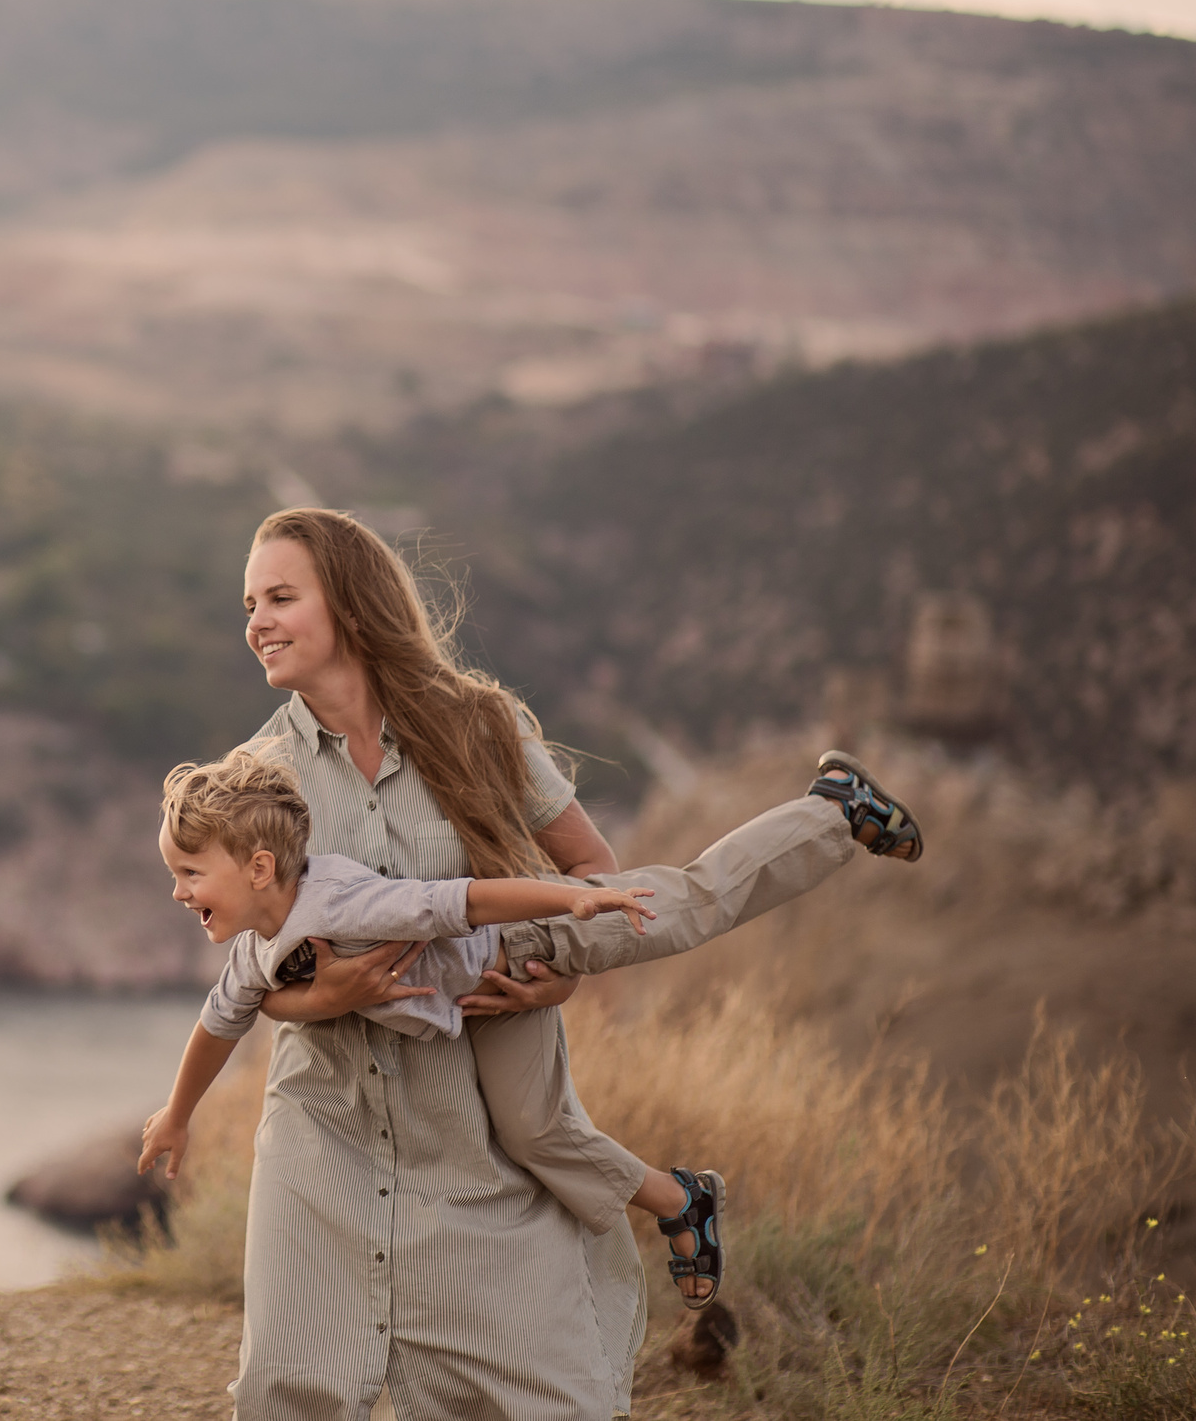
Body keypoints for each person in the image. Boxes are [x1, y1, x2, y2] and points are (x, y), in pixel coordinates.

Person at [219, 505, 923, 1421]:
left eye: (280, 596)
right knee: (290, 1381)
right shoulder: (257, 775)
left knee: (673, 903)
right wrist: (330, 994)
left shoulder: (480, 722)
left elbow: (592, 867)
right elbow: (249, 974)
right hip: (330, 1115)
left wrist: (565, 977)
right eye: (248, 604)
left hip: (503, 988)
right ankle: (680, 1200)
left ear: (350, 605)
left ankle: (833, 812)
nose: (257, 622)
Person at [138, 747, 748, 1311]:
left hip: (539, 936)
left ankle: (826, 814)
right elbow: (217, 1026)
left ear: (260, 868)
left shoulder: (343, 906)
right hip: (496, 1002)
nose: (176, 891)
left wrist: (571, 902)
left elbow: (465, 901)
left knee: (695, 903)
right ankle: (684, 1202)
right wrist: (178, 1113)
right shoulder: (251, 953)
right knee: (539, 1136)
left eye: (189, 873)